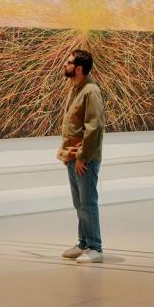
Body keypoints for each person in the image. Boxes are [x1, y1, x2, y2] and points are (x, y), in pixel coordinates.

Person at [57, 48, 104, 264]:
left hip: (83, 159)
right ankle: (84, 242)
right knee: (79, 203)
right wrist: (69, 155)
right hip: (72, 157)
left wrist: (82, 157)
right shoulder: (75, 89)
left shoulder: (90, 91)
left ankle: (95, 247)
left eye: (68, 62)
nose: (65, 65)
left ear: (79, 68)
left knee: (88, 202)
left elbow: (93, 128)